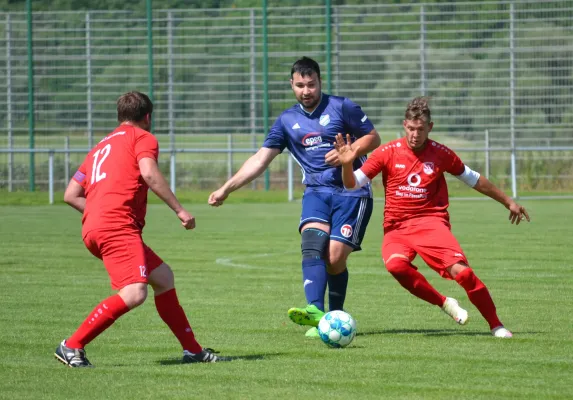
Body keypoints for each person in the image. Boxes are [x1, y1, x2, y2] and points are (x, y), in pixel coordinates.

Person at [208, 57, 381, 337]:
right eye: (300, 85)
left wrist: (348, 152)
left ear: (320, 82)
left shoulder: (342, 107)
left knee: (335, 259)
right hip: (316, 192)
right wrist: (226, 188)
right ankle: (316, 313)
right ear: (291, 85)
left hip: (353, 192)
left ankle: (334, 316)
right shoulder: (287, 121)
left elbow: (373, 137)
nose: (306, 91)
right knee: (312, 244)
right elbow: (260, 160)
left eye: (311, 84)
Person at [56, 91, 231, 367]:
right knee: (135, 293)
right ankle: (72, 345)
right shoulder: (142, 137)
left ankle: (193, 350)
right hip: (117, 225)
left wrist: (97, 212)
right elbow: (149, 174)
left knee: (162, 277)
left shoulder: (99, 147)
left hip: (96, 226)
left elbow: (70, 194)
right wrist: (179, 209)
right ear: (147, 116)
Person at [334, 97, 530, 338]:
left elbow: (475, 179)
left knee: (464, 273)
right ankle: (444, 302)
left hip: (430, 223)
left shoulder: (441, 154)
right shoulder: (386, 152)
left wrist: (508, 201)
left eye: (421, 129)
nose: (415, 134)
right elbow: (353, 185)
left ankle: (496, 324)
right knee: (396, 265)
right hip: (396, 228)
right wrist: (346, 165)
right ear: (404, 125)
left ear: (430, 127)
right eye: (411, 128)